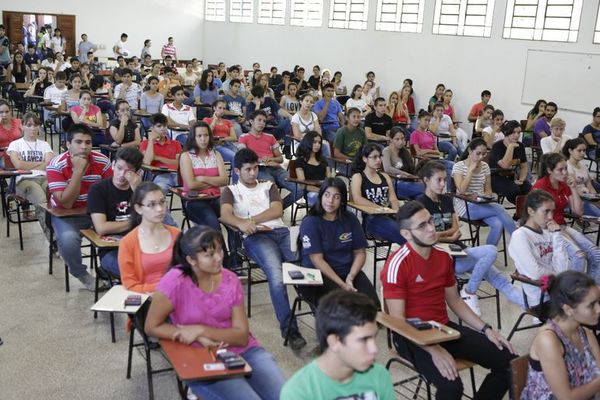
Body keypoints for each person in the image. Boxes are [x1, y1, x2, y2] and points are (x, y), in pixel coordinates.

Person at [382, 201, 516, 400]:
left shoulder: (443, 257)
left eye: (430, 221)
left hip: (443, 329)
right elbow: (398, 321)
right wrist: (433, 348)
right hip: (409, 337)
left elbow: (456, 301)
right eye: (422, 226)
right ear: (406, 234)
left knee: (509, 363)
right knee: (452, 387)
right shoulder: (397, 263)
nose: (431, 229)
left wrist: (487, 329)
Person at [145, 226, 285, 400]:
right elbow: (151, 326)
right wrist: (188, 334)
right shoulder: (175, 281)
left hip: (245, 350)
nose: (219, 257)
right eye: (210, 254)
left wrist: (200, 330)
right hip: (202, 357)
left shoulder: (230, 280)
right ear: (191, 260)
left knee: (287, 395)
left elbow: (241, 336)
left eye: (220, 250)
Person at [219, 148, 307, 350]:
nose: (253, 173)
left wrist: (248, 220)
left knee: (303, 270)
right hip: (256, 237)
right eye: (248, 169)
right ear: (237, 171)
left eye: (256, 168)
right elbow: (225, 215)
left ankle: (322, 318)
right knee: (276, 276)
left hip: (281, 232)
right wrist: (241, 224)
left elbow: (277, 210)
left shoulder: (268, 185)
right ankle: (290, 330)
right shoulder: (231, 191)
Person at [417, 161, 525, 315]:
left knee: (501, 280)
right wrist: (448, 237)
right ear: (426, 180)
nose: (443, 184)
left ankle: (534, 309)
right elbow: (426, 237)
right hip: (443, 257)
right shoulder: (420, 204)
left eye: (445, 180)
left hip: (460, 251)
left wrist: (444, 235)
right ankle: (470, 291)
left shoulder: (446, 200)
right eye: (438, 180)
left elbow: (456, 227)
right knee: (490, 251)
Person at [281, 291, 394, 400]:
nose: (374, 349)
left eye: (374, 337)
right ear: (334, 341)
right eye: (363, 340)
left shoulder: (379, 375)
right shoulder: (298, 392)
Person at [47, 124, 112, 290]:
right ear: (68, 144)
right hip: (67, 214)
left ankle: (107, 269)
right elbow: (66, 203)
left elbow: (110, 193)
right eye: (78, 142)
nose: (84, 147)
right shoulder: (55, 164)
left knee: (121, 232)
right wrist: (78, 171)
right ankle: (81, 274)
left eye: (88, 142)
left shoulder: (102, 161)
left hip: (96, 211)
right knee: (68, 240)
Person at [298, 178, 379, 307]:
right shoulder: (310, 222)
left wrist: (351, 277)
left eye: (336, 197)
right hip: (319, 274)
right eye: (327, 195)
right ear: (321, 196)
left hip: (347, 271)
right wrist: (342, 285)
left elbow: (360, 252)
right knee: (345, 309)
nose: (330, 201)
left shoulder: (350, 219)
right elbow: (317, 260)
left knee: (373, 307)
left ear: (342, 200)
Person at [521, 270, 600, 399]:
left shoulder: (586, 334)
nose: (598, 309)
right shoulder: (548, 340)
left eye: (598, 302)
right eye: (591, 305)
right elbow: (566, 397)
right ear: (568, 309)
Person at [508, 190, 592, 309]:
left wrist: (557, 235)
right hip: (542, 300)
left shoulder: (548, 232)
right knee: (591, 309)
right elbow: (535, 273)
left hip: (560, 293)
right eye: (546, 211)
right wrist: (558, 275)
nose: (551, 217)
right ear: (531, 211)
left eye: (552, 211)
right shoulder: (520, 236)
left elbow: (563, 267)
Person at [532, 153, 600, 283]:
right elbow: (540, 220)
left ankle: (590, 292)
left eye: (565, 169)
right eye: (560, 169)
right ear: (549, 171)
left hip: (561, 225)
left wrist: (573, 188)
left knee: (596, 255)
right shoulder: (540, 187)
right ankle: (571, 295)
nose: (564, 173)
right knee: (579, 256)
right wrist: (566, 236)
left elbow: (578, 211)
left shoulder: (563, 185)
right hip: (547, 229)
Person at [87, 147, 144, 277]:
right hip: (111, 249)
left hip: (142, 246)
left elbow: (155, 222)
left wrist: (137, 191)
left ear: (138, 173)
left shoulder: (142, 191)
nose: (122, 175)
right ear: (112, 165)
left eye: (129, 172)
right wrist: (135, 222)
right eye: (119, 168)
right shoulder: (98, 189)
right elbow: (101, 228)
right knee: (135, 272)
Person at [452, 139, 517, 246]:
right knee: (499, 208)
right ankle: (518, 240)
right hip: (465, 207)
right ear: (469, 151)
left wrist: (487, 196)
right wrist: (471, 170)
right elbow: (462, 190)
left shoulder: (485, 166)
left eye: (484, 154)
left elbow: (488, 189)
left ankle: (489, 253)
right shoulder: (458, 166)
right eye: (478, 153)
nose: (481, 157)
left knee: (498, 224)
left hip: (481, 204)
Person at [118, 182, 180, 292]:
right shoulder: (127, 243)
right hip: (146, 298)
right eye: (152, 205)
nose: (160, 209)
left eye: (162, 202)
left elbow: (188, 272)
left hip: (179, 294)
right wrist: (162, 289)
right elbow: (130, 284)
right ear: (138, 209)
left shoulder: (177, 235)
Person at [238, 110, 301, 209]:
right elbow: (243, 157)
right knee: (272, 189)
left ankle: (279, 209)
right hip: (258, 169)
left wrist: (271, 159)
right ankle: (275, 210)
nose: (262, 123)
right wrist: (259, 160)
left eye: (264, 121)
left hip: (276, 168)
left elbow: (280, 158)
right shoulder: (244, 137)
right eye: (259, 120)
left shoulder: (270, 137)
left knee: (299, 189)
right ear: (251, 121)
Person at [350, 143, 405, 245]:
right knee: (402, 233)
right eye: (374, 157)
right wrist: (380, 209)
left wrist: (397, 213)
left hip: (389, 215)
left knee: (410, 228)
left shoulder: (385, 176)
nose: (378, 160)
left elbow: (393, 198)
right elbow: (357, 199)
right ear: (365, 159)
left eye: (379, 157)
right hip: (372, 218)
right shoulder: (358, 177)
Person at [180, 121, 228, 231]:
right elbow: (191, 185)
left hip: (216, 197)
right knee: (214, 226)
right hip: (194, 201)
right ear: (193, 137)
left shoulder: (216, 154)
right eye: (199, 136)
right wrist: (215, 182)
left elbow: (225, 180)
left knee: (235, 221)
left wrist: (203, 178)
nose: (203, 139)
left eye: (206, 135)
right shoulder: (186, 156)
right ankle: (219, 248)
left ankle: (236, 248)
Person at [7, 112, 54, 207]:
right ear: (22, 126)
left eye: (36, 125)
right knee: (41, 199)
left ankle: (55, 221)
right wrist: (41, 163)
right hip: (24, 179)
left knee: (56, 195)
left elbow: (49, 164)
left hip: (45, 177)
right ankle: (47, 222)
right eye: (29, 125)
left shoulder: (45, 144)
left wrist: (26, 164)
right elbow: (18, 165)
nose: (33, 128)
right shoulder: (15, 144)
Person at [488, 120, 532, 205]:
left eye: (519, 132)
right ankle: (523, 212)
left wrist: (521, 179)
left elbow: (524, 166)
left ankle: (521, 213)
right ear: (506, 132)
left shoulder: (520, 146)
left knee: (530, 190)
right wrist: (510, 147)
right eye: (513, 132)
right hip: (495, 178)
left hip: (511, 177)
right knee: (515, 191)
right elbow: (505, 165)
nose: (517, 135)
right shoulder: (497, 146)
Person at [140, 113, 182, 192]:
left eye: (165, 126)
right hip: (158, 175)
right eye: (159, 126)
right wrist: (151, 141)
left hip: (176, 175)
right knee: (160, 187)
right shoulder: (145, 144)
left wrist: (157, 158)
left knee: (191, 187)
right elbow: (147, 162)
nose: (163, 128)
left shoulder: (176, 143)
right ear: (152, 128)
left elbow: (178, 163)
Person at [382, 126, 424, 199]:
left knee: (421, 197)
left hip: (408, 182)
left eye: (402, 139)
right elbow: (387, 168)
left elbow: (411, 169)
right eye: (397, 139)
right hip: (395, 184)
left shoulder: (405, 152)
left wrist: (413, 176)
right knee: (425, 189)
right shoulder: (386, 151)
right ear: (391, 139)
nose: (401, 142)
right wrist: (405, 174)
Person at [564, 138, 600, 215]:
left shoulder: (583, 166)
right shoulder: (567, 166)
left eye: (584, 150)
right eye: (579, 150)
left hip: (586, 196)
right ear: (570, 151)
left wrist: (595, 198)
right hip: (576, 199)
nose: (583, 153)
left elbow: (590, 186)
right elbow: (573, 188)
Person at [294, 132, 331, 208]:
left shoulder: (323, 160)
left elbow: (329, 178)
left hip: (325, 190)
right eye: (314, 142)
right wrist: (321, 191)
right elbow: (302, 185)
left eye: (319, 143)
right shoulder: (300, 161)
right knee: (320, 199)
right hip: (310, 192)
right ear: (307, 142)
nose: (317, 145)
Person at [202, 99, 238, 173]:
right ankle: (236, 183)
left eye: (224, 108)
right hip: (216, 146)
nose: (222, 110)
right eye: (220, 108)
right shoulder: (207, 120)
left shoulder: (228, 122)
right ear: (214, 108)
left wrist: (221, 139)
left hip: (228, 144)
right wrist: (214, 119)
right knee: (234, 157)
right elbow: (207, 133)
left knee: (242, 157)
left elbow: (234, 137)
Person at [0, 100, 22, 168]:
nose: (4, 115)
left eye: (7, 112)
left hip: (19, 153)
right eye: (1, 112)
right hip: (2, 155)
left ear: (11, 111)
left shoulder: (18, 122)